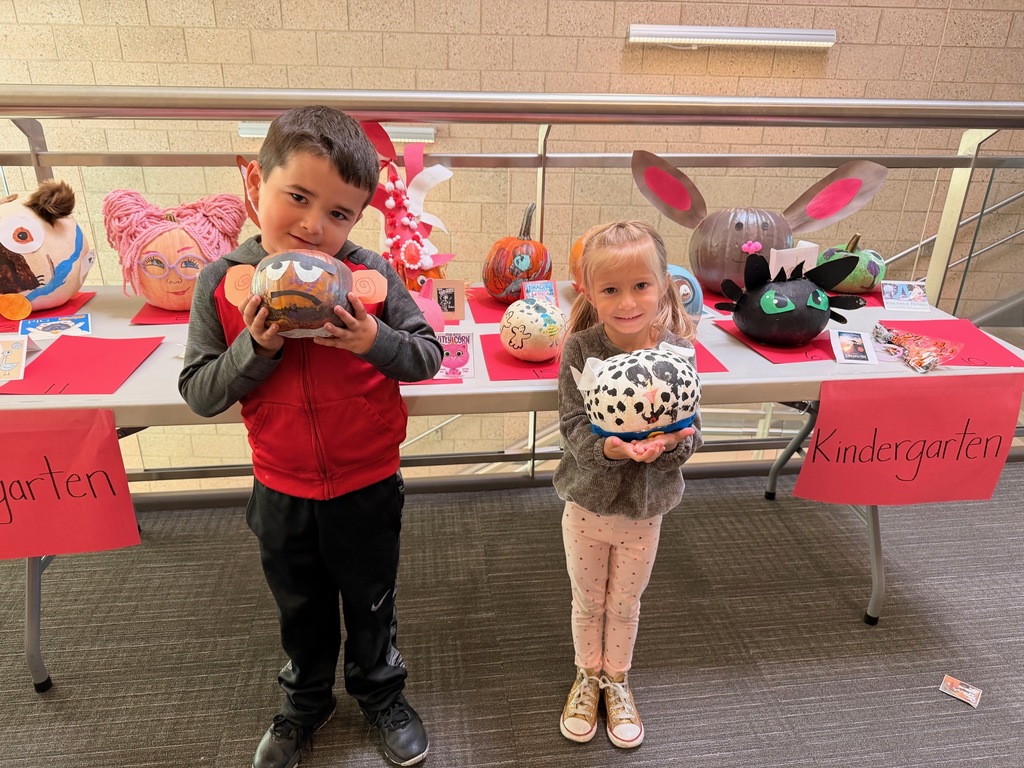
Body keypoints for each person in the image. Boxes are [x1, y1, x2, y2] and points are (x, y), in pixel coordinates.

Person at [178, 105, 442, 768]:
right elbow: (201, 392)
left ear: (358, 218)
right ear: (253, 183)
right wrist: (255, 347)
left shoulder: (372, 277)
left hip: (368, 481)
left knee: (372, 601)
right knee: (301, 608)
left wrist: (371, 338)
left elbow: (428, 354)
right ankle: (305, 702)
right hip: (281, 485)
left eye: (339, 213)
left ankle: (381, 691)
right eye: (297, 197)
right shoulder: (222, 284)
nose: (313, 227)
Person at [553, 221, 704, 749]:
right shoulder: (580, 349)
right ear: (589, 292)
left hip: (645, 511)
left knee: (626, 603)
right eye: (610, 289)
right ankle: (586, 674)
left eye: (640, 285)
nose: (626, 301)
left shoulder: (677, 352)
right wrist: (607, 448)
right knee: (588, 600)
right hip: (588, 505)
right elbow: (573, 424)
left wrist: (670, 446)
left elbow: (691, 429)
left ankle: (616, 679)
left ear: (664, 284)